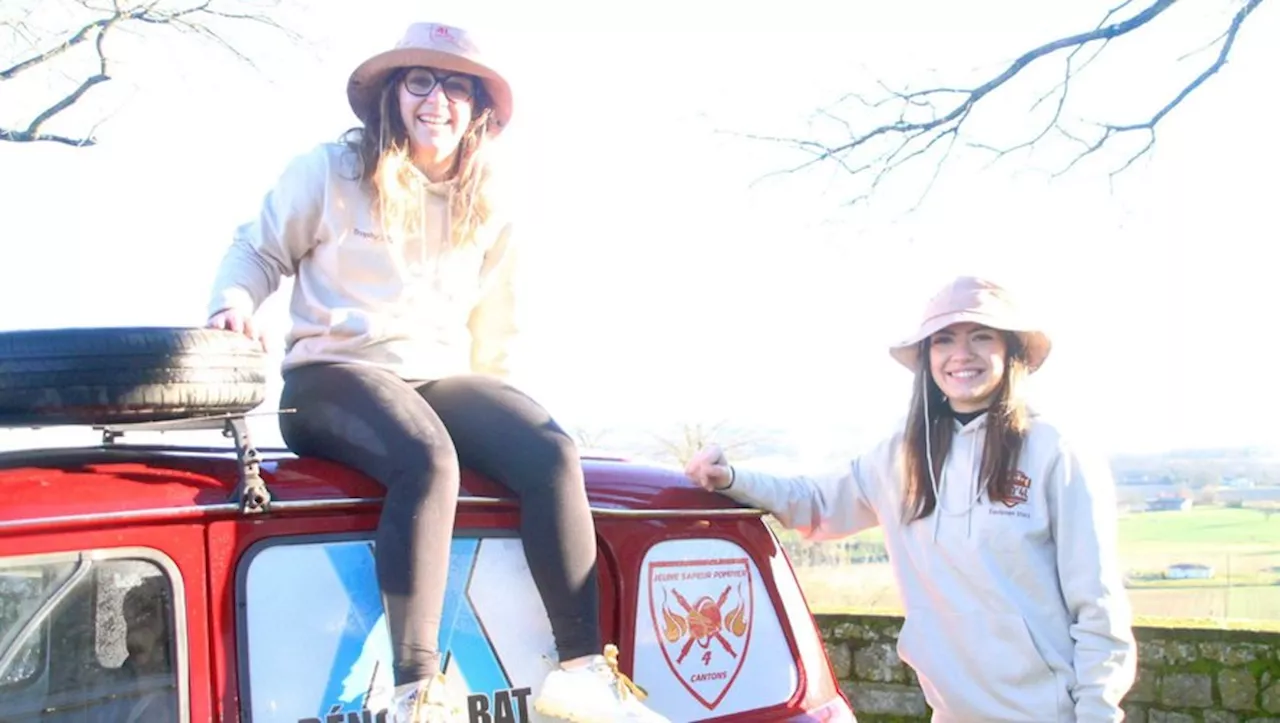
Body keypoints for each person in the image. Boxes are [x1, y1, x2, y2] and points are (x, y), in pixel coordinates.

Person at [205, 21, 668, 723]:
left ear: (479, 108)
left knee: (549, 450)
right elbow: (256, 249)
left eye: (456, 85)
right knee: (428, 459)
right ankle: (417, 690)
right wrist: (232, 305)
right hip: (334, 377)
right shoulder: (329, 171)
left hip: (437, 379)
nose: (437, 99)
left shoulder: (489, 201)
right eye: (420, 80)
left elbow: (496, 326)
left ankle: (578, 670)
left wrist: (502, 421)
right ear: (393, 94)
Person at [684, 276, 1137, 722]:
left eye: (981, 336)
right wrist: (731, 478)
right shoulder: (899, 456)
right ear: (927, 357)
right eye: (944, 340)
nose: (962, 354)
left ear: (1011, 351)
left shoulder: (1056, 451)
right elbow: (815, 502)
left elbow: (1096, 605)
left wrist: (1098, 711)